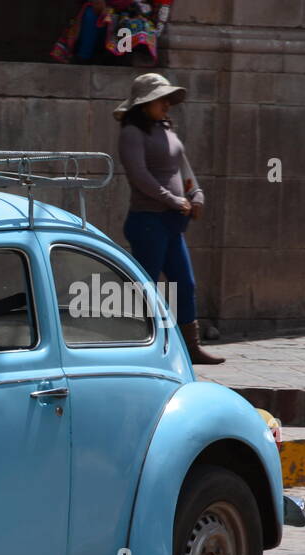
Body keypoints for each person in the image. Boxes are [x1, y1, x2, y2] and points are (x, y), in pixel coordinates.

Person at [115, 72, 223, 364]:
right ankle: (137, 344)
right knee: (146, 285)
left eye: (167, 99)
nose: (166, 105)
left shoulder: (167, 131)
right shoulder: (132, 134)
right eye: (160, 99)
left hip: (172, 224)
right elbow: (139, 176)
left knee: (184, 283)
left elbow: (184, 171)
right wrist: (173, 200)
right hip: (148, 220)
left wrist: (196, 193)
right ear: (144, 103)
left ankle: (191, 346)